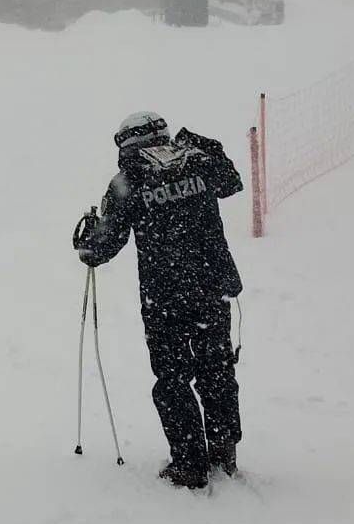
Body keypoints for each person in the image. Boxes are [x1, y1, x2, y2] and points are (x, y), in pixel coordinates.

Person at [74, 111, 243, 489]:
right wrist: (197, 142)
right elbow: (232, 181)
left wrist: (87, 242)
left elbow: (103, 246)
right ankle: (223, 451)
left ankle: (189, 463)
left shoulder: (129, 180)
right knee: (217, 370)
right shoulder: (198, 161)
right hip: (210, 287)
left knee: (173, 379)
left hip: (165, 298)